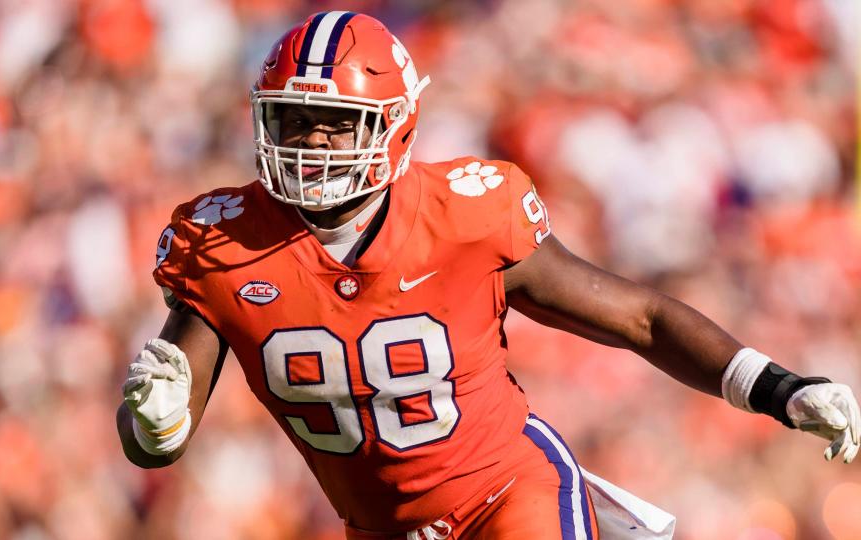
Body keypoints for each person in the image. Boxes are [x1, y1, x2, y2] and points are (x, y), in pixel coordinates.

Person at [116, 11, 860, 540]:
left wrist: (780, 388)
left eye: (337, 122)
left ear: (394, 124)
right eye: (292, 120)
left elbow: (641, 318)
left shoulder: (469, 214)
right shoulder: (222, 244)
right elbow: (159, 435)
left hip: (509, 495)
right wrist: (151, 426)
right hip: (375, 530)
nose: (311, 142)